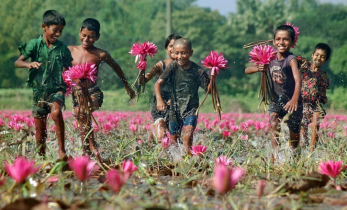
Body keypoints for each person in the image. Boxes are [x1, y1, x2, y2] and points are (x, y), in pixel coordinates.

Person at [68, 18, 135, 162]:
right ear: (80, 32)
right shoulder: (70, 50)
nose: (86, 39)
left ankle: (89, 149)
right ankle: (90, 149)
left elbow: (116, 67)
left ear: (97, 37)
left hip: (93, 92)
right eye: (84, 35)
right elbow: (63, 70)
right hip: (77, 94)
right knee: (82, 117)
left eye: (91, 36)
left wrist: (126, 85)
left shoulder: (100, 54)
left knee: (82, 112)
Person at [14, 10, 72, 159]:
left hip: (57, 90)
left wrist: (72, 77)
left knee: (56, 112)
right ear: (44, 27)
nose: (58, 34)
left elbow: (69, 68)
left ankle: (62, 152)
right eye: (55, 30)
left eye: (61, 31)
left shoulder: (62, 49)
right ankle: (42, 158)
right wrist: (29, 64)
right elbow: (17, 62)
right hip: (39, 93)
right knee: (40, 132)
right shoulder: (34, 45)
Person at [245, 25, 302, 163]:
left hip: (293, 102)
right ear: (274, 41)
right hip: (276, 100)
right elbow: (247, 70)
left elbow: (298, 80)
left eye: (286, 39)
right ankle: (275, 155)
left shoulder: (291, 59)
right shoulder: (269, 57)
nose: (281, 42)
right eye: (278, 39)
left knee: (294, 134)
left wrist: (295, 99)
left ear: (293, 42)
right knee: (273, 123)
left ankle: (294, 155)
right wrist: (258, 68)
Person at [155, 38, 211, 154]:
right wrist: (159, 100)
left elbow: (209, 91)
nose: (180, 56)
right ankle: (174, 160)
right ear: (173, 53)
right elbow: (158, 84)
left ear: (191, 53)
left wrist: (213, 78)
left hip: (191, 108)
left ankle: (187, 159)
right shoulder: (172, 67)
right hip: (174, 109)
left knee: (187, 136)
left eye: (183, 53)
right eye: (177, 53)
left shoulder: (198, 71)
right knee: (174, 140)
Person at [145, 34, 182, 147]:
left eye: (176, 46)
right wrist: (142, 67)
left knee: (175, 141)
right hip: (160, 104)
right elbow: (145, 79)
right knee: (162, 135)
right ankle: (155, 131)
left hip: (177, 106)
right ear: (166, 48)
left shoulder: (185, 66)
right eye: (171, 46)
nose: (173, 49)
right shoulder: (160, 65)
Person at [299, 43, 331, 152]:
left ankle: (312, 152)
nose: (319, 58)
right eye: (317, 55)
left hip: (315, 105)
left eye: (322, 56)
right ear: (312, 55)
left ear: (325, 60)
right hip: (302, 104)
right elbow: (293, 60)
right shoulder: (304, 67)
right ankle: (302, 152)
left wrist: (321, 97)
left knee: (316, 120)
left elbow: (323, 92)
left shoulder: (323, 75)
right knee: (303, 129)